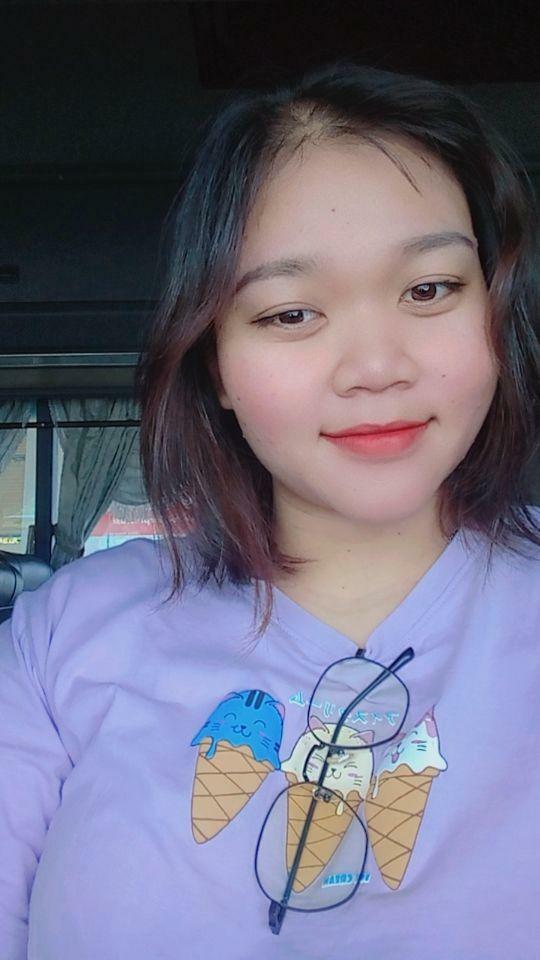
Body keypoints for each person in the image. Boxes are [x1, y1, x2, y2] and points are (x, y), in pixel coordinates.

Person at [1, 59, 539, 960]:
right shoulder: (65, 636)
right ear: (214, 361)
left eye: (429, 289)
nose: (376, 367)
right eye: (290, 313)